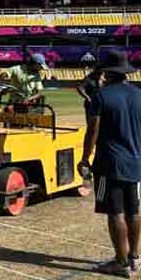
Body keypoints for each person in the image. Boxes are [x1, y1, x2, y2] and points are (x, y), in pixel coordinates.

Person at [78, 51, 141, 277]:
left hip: (109, 163)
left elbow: (93, 130)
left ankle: (121, 263)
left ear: (107, 72)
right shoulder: (138, 94)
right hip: (135, 161)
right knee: (133, 210)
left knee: (115, 212)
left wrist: (85, 158)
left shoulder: (102, 95)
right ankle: (134, 258)